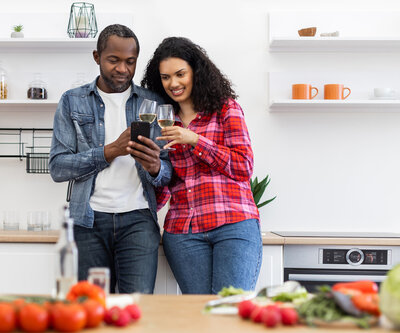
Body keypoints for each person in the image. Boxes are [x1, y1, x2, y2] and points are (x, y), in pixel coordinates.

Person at [49, 24, 172, 294]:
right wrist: (109, 151)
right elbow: (57, 167)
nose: (122, 69)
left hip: (138, 221)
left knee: (136, 309)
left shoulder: (152, 103)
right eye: (113, 60)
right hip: (88, 222)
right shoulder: (72, 101)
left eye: (130, 62)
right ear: (97, 57)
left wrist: (155, 168)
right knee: (91, 309)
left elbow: (168, 172)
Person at [141, 37, 262, 294]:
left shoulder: (225, 109)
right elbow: (165, 189)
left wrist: (196, 140)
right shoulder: (164, 122)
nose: (173, 83)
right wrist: (152, 170)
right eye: (165, 77)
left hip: (233, 224)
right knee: (199, 316)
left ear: (196, 71)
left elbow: (243, 166)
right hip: (183, 232)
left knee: (230, 311)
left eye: (180, 74)